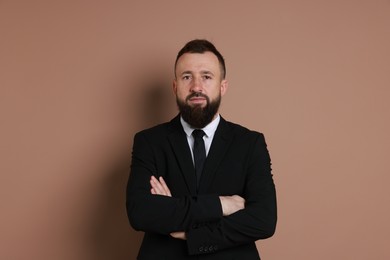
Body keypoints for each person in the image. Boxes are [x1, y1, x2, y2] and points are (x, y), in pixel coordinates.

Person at [126, 39, 277, 259]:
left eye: (206, 77)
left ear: (222, 86)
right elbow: (140, 213)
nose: (196, 86)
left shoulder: (250, 143)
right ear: (175, 86)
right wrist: (221, 204)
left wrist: (191, 233)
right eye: (187, 77)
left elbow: (263, 220)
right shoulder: (149, 142)